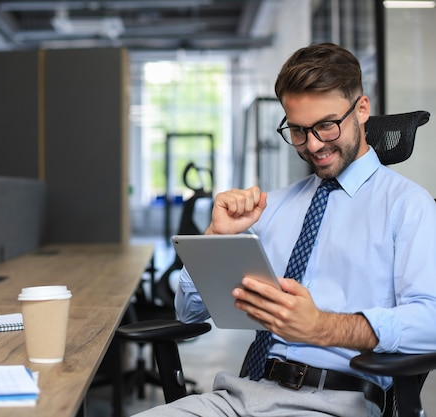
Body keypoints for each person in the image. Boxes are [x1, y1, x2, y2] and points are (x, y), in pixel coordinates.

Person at [135, 43, 436, 417]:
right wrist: (216, 237)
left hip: (337, 402)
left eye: (326, 125)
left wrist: (324, 327)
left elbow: (430, 321)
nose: (312, 145)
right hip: (242, 395)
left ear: (361, 110)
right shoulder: (273, 206)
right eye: (297, 130)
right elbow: (189, 313)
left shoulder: (408, 206)